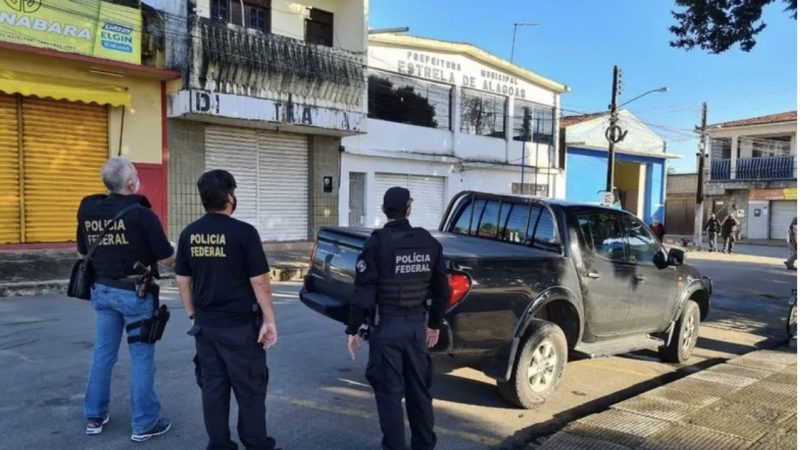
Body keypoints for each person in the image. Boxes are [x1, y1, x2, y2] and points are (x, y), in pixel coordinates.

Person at [175, 170, 280, 450]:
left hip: (206, 328)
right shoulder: (244, 233)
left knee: (213, 389)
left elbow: (182, 279)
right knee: (250, 391)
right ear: (230, 196)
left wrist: (192, 313)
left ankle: (219, 445)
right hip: (240, 329)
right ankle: (257, 444)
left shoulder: (189, 233)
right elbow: (259, 280)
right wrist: (269, 320)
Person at [77, 157, 174, 442]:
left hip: (102, 292)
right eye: (136, 175)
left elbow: (82, 254)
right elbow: (167, 259)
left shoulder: (88, 209)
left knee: (103, 354)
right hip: (135, 295)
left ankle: (94, 416)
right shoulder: (142, 214)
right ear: (131, 184)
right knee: (142, 357)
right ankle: (144, 423)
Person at [346, 186, 451, 450]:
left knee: (390, 396)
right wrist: (434, 324)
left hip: (387, 330)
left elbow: (363, 293)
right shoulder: (428, 242)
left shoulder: (376, 243)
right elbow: (443, 291)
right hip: (417, 329)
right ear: (409, 209)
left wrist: (353, 328)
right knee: (419, 394)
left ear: (383, 210)